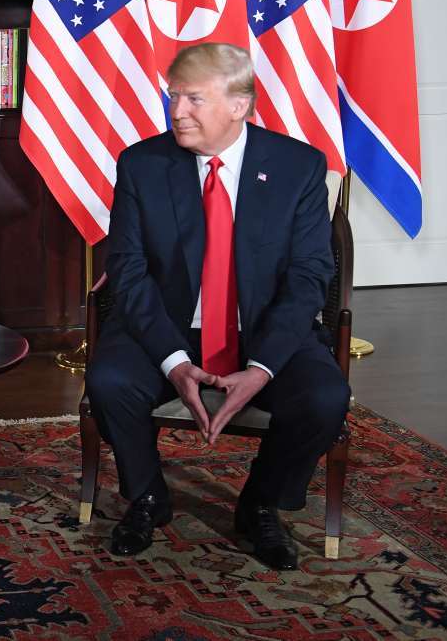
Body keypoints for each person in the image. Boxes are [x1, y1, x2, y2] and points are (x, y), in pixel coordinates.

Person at [85, 43, 350, 571]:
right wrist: (175, 363)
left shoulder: (298, 166)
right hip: (168, 326)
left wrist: (262, 368)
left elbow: (309, 278)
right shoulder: (142, 163)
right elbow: (130, 274)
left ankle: (261, 501)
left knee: (325, 397)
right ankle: (148, 497)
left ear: (239, 105)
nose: (177, 111)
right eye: (173, 97)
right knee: (111, 380)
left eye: (193, 99)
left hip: (266, 331)